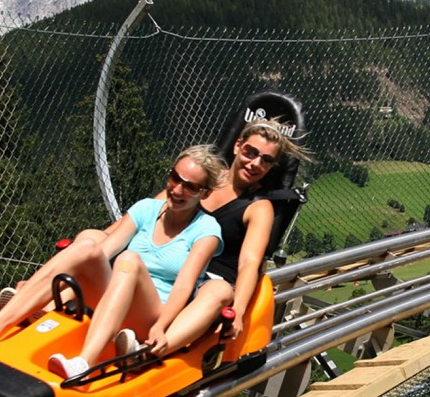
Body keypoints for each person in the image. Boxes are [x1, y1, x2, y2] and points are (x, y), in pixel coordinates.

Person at [0, 145, 226, 379]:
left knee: (129, 260)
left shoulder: (206, 231)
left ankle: (84, 362)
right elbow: (102, 251)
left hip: (151, 313)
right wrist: (39, 284)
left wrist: (161, 326)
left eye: (189, 187)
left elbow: (184, 286)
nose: (177, 189)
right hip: (115, 297)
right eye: (174, 178)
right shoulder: (147, 209)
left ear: (204, 193)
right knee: (88, 246)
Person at [115, 118, 309, 356]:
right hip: (173, 268)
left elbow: (250, 263)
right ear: (237, 146)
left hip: (208, 283)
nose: (255, 163)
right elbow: (151, 211)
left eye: (266, 160)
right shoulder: (204, 179)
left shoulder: (259, 207)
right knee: (98, 242)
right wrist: (100, 241)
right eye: (251, 152)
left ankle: (150, 351)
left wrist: (237, 310)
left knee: (217, 291)